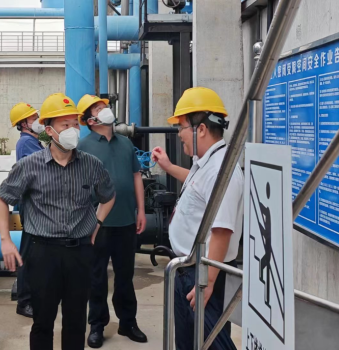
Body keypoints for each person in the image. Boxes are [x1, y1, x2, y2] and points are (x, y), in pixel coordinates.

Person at [0, 93, 116, 350]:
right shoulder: (29, 166)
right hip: (43, 253)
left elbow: (109, 196)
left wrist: (97, 223)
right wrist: (5, 239)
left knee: (75, 322)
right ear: (49, 130)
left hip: (79, 253)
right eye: (65, 125)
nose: (73, 130)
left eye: (75, 124)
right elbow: (2, 199)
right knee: (42, 321)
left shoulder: (91, 165)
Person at [151, 87, 243, 350]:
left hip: (202, 274)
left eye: (181, 127)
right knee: (190, 343)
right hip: (189, 270)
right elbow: (196, 186)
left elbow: (222, 231)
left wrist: (207, 281)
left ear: (200, 129)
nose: (179, 134)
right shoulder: (206, 163)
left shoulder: (222, 170)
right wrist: (169, 167)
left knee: (211, 343)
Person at [76, 94, 148, 348]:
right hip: (98, 224)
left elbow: (136, 176)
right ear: (90, 120)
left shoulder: (126, 144)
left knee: (125, 276)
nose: (105, 110)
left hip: (126, 220)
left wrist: (141, 210)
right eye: (98, 108)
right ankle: (97, 325)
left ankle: (128, 322)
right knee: (96, 277)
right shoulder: (83, 146)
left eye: (105, 106)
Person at [8, 102, 45, 318]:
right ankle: (24, 301)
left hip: (35, 206)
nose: (38, 120)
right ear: (23, 124)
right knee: (28, 253)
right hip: (32, 207)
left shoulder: (33, 142)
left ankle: (31, 297)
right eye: (33, 118)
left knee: (34, 253)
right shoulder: (26, 143)